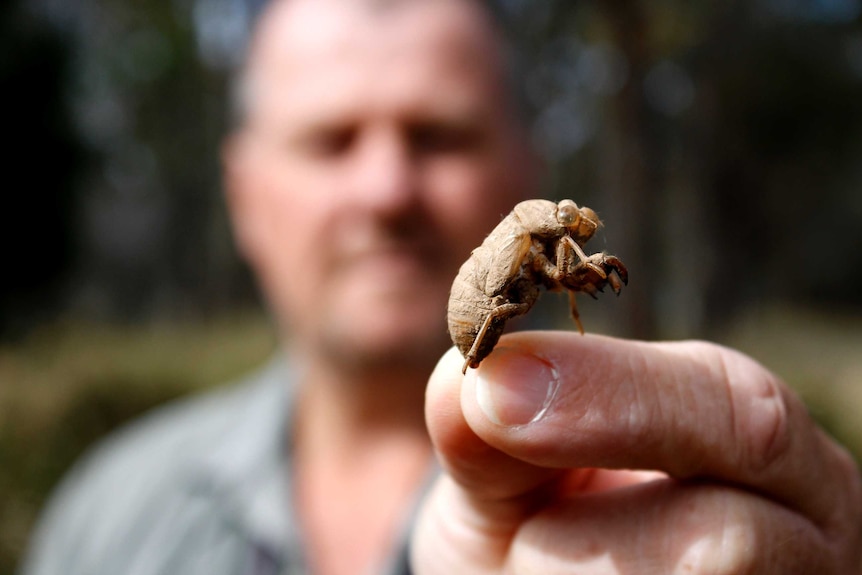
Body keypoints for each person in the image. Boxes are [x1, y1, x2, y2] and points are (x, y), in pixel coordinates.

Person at [20, 0, 862, 573]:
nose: (386, 190)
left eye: (439, 135)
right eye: (330, 141)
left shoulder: (624, 487)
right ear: (243, 197)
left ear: (520, 165)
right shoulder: (106, 519)